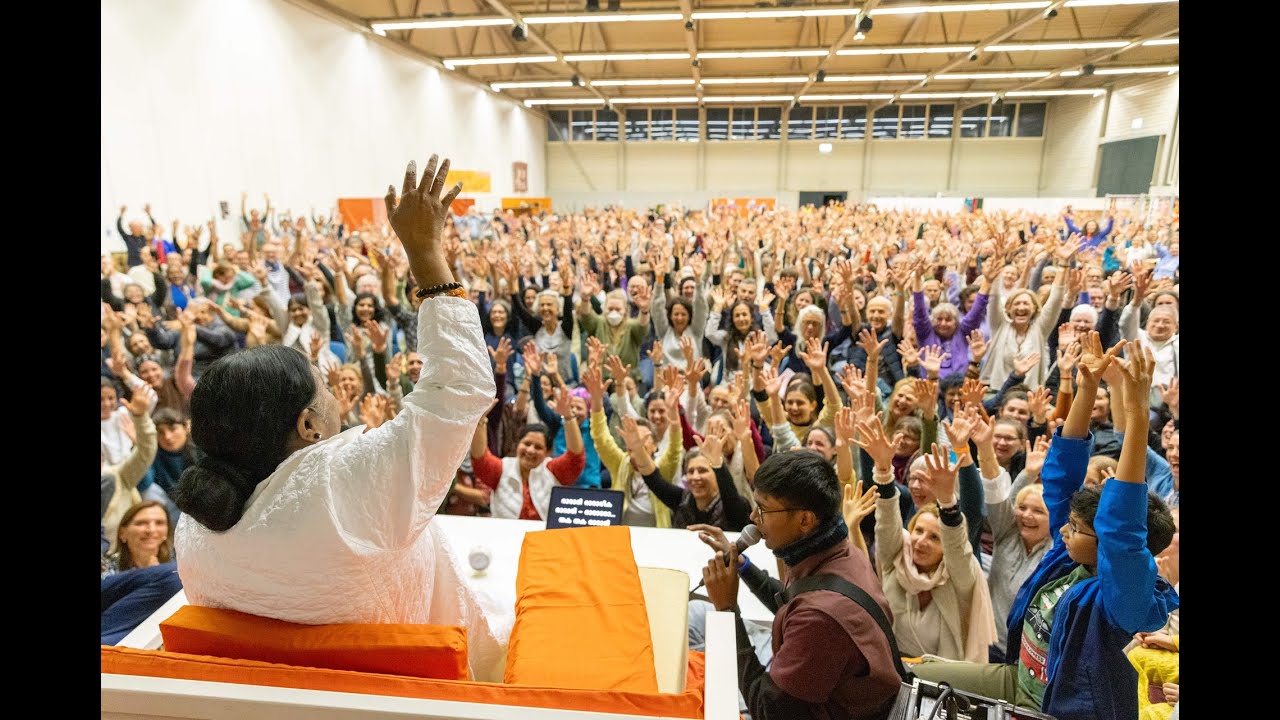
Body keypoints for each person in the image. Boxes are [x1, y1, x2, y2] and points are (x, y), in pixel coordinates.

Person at [172, 153, 506, 682]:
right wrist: (425, 252)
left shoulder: (197, 522)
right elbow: (460, 386)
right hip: (406, 690)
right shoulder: (341, 485)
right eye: (325, 387)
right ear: (307, 426)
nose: (334, 392)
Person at [911, 333, 1179, 720]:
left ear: (1107, 543)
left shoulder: (1125, 600)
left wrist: (1137, 413)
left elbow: (1122, 533)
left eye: (1077, 528)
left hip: (1055, 711)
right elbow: (1060, 479)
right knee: (911, 676)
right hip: (1015, 679)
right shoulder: (1067, 558)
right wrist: (1086, 388)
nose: (1064, 531)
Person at [697, 451, 901, 720]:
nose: (752, 517)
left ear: (805, 520)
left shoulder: (821, 618)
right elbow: (794, 601)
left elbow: (766, 709)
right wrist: (744, 567)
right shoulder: (841, 554)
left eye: (763, 509)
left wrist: (726, 611)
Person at [470, 384, 586, 520]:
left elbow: (575, 459)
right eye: (526, 444)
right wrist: (480, 421)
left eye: (538, 447)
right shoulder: (502, 468)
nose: (530, 450)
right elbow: (480, 460)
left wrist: (568, 418)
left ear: (548, 452)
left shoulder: (552, 470)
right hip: (504, 537)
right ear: (518, 445)